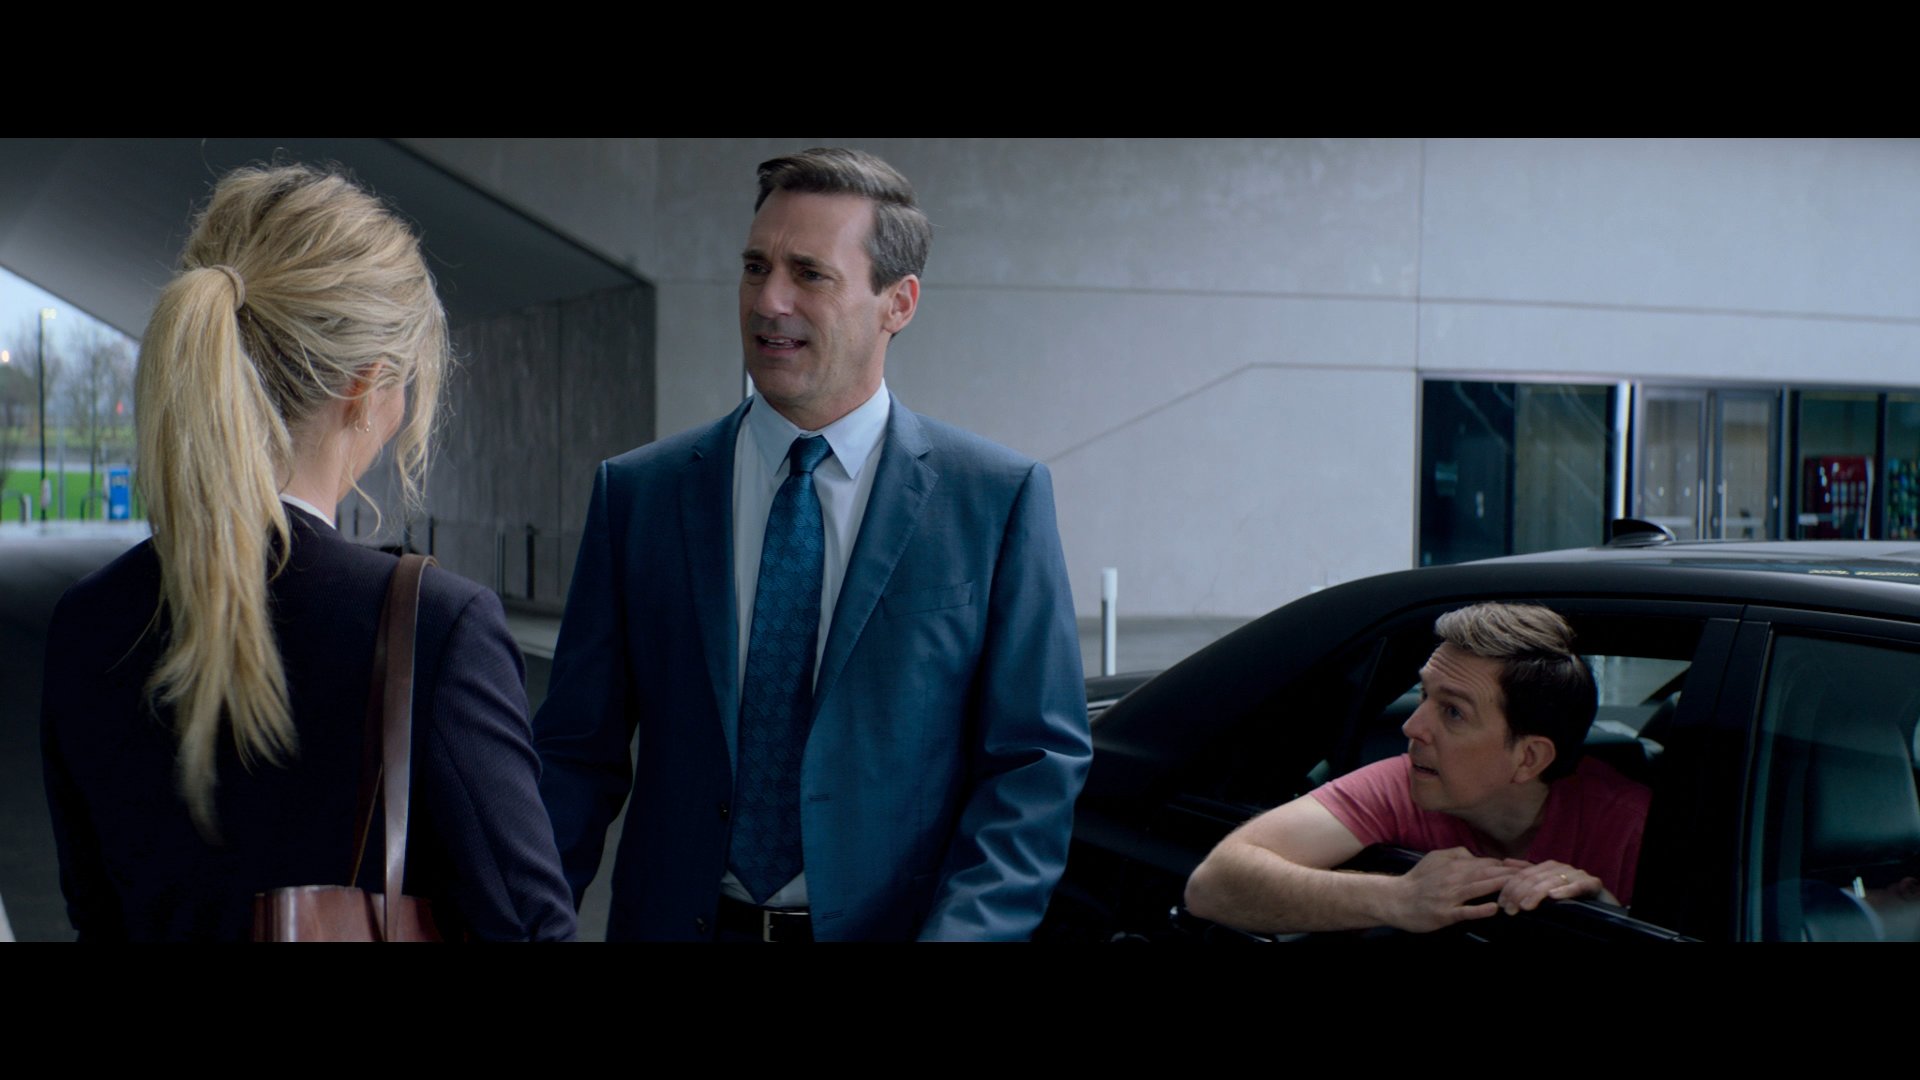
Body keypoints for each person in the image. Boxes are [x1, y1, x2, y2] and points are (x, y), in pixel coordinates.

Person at [534, 147, 1092, 941]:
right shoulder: (640, 495)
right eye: (755, 267)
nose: (770, 301)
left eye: (809, 274)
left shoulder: (995, 501)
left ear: (898, 303)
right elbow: (574, 756)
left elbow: (1033, 766)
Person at [40, 164, 576, 941]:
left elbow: (97, 917)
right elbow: (528, 927)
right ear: (367, 387)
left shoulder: (87, 624)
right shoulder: (435, 630)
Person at [1185, 602, 1650, 935]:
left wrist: (1608, 914)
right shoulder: (1409, 781)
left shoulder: (1635, 826)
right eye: (1425, 694)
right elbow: (1213, 884)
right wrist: (1398, 898)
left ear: (1528, 758)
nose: (1412, 726)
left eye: (1453, 712)